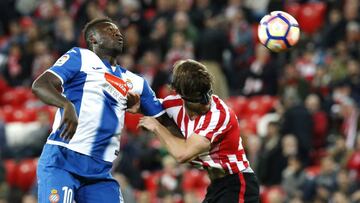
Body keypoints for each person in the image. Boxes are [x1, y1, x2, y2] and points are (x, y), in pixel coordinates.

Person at [32, 17, 177, 203]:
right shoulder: (80, 57)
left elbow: (165, 118)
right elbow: (41, 84)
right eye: (109, 30)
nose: (118, 33)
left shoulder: (136, 82)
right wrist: (66, 104)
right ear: (93, 39)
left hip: (100, 173)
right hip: (62, 160)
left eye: (118, 31)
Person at [139, 59, 260, 203]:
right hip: (217, 186)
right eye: (199, 99)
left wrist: (157, 127)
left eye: (207, 94)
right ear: (181, 95)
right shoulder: (172, 104)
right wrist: (137, 106)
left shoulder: (219, 115)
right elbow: (150, 104)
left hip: (238, 184)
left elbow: (182, 154)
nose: (206, 102)